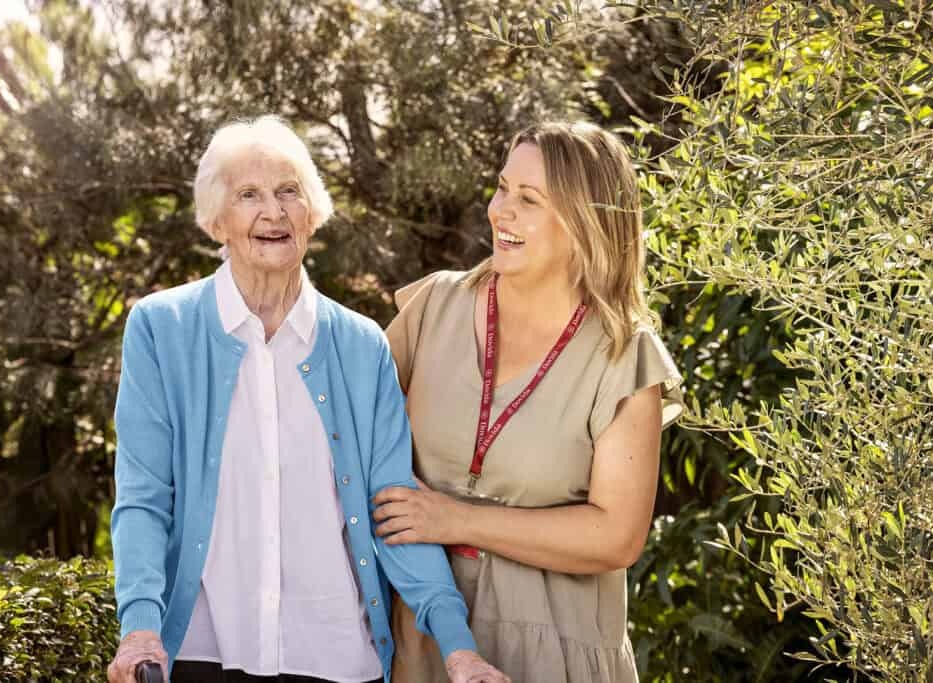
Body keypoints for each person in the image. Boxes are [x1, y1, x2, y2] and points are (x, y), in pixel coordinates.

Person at [106, 116, 508, 683]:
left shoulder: (361, 345)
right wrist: (140, 628)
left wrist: (459, 648)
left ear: (312, 213)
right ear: (217, 221)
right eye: (249, 195)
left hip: (336, 656)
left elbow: (394, 509)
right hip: (203, 649)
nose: (273, 212)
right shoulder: (161, 328)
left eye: (289, 191)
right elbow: (144, 498)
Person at [374, 121, 686, 682]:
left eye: (529, 199)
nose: (501, 211)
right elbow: (348, 434)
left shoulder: (622, 353)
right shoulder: (434, 308)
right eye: (502, 188)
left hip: (556, 654)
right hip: (419, 645)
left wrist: (455, 520)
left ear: (584, 222)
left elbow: (616, 538)